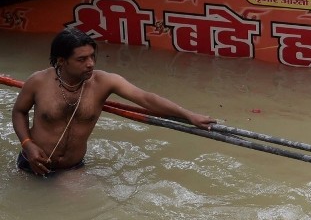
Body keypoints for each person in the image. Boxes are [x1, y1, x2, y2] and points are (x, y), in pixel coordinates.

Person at [12, 27, 216, 176]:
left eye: (92, 56)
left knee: (77, 217)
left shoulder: (104, 82)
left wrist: (188, 115)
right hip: (32, 162)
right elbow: (19, 112)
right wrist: (27, 144)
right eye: (81, 59)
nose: (90, 64)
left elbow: (145, 98)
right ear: (61, 61)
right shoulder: (38, 81)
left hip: (72, 168)